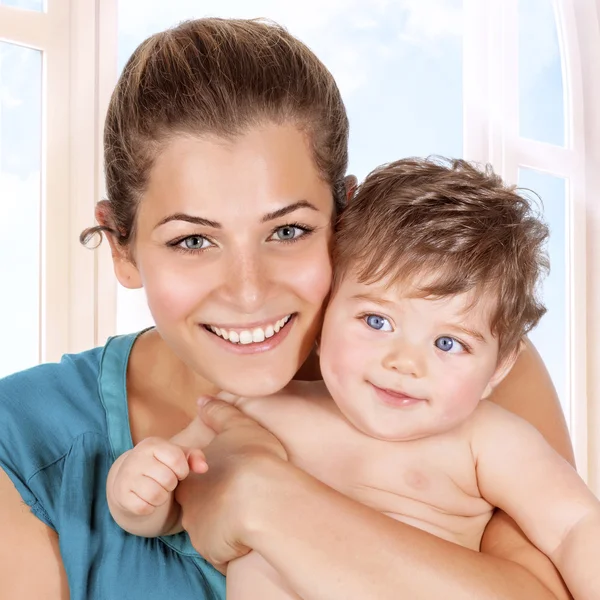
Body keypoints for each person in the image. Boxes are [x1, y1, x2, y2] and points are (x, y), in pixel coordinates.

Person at [0, 18, 575, 600]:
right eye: (192, 241)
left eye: (289, 230)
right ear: (121, 247)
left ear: (344, 216)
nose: (248, 293)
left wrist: (266, 501)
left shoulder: (463, 369)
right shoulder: (23, 443)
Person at [107, 157, 600, 600]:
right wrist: (136, 491)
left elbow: (575, 526)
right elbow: (173, 509)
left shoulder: (487, 441)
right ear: (324, 313)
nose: (405, 363)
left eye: (448, 344)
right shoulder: (253, 410)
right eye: (377, 322)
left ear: (499, 368)